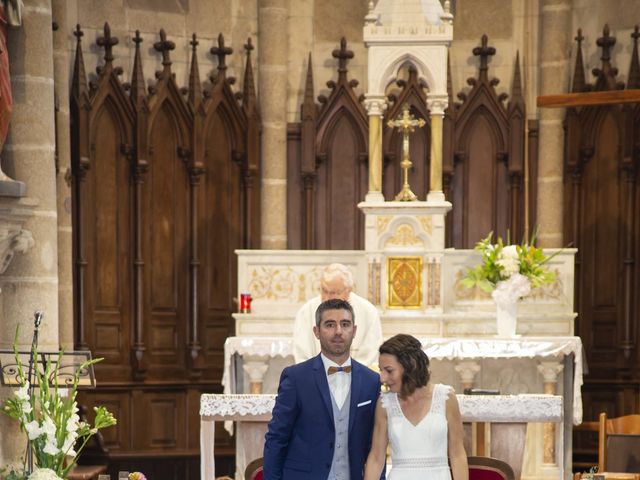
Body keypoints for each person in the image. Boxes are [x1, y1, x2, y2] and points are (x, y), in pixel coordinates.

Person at [264, 298, 383, 480]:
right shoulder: (296, 378)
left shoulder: (371, 380)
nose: (338, 331)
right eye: (329, 325)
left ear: (354, 331)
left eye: (345, 324)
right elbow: (277, 438)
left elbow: (375, 446)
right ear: (316, 331)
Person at [364, 334, 468, 480]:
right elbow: (376, 458)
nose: (382, 378)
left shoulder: (446, 397)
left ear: (410, 365)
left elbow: (457, 454)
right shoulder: (385, 404)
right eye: (381, 371)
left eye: (389, 370)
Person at [293, 263, 382, 368]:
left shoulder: (368, 312)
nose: (327, 297)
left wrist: (348, 375)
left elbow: (371, 353)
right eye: (324, 291)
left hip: (357, 378)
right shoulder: (306, 312)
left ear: (348, 290)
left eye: (334, 292)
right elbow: (302, 353)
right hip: (315, 379)